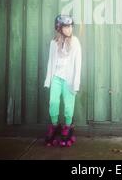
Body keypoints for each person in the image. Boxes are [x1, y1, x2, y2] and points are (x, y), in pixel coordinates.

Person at [44, 14, 82, 147]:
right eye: (66, 26)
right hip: (56, 77)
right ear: (59, 28)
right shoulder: (54, 43)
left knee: (68, 106)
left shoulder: (75, 42)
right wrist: (48, 80)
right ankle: (54, 126)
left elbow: (78, 64)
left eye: (71, 26)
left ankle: (67, 127)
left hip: (69, 79)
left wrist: (76, 83)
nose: (69, 29)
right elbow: (50, 62)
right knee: (53, 102)